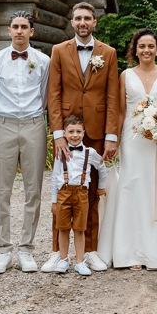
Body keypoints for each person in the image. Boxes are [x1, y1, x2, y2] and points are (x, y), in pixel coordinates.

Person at [42, 2, 119, 273]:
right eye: (78, 18)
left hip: (97, 131)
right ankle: (57, 252)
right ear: (72, 22)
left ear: (94, 22)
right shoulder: (59, 51)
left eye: (87, 18)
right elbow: (54, 94)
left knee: (92, 193)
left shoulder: (107, 53)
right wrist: (58, 134)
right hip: (66, 131)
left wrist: (111, 136)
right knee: (62, 191)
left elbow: (112, 96)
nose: (83, 22)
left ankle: (90, 250)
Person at [98, 28, 157, 270]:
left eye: (151, 46)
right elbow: (121, 111)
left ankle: (152, 254)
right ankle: (128, 253)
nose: (147, 50)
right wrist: (115, 142)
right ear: (135, 50)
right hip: (132, 139)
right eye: (142, 46)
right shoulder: (126, 75)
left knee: (155, 191)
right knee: (131, 189)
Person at [0, 11, 50, 274]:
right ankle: (3, 249)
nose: (20, 31)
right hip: (4, 124)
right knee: (2, 190)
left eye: (25, 27)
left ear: (32, 32)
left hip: (34, 124)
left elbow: (45, 94)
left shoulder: (44, 61)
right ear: (9, 31)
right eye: (15, 27)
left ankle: (26, 248)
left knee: (33, 189)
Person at [50, 115, 108, 276]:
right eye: (71, 131)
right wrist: (54, 201)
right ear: (64, 134)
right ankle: (63, 259)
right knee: (62, 228)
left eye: (78, 131)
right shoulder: (60, 152)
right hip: (63, 193)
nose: (74, 135)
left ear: (84, 133)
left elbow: (102, 168)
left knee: (79, 228)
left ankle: (80, 261)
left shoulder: (90, 152)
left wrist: (101, 187)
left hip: (82, 193)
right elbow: (55, 177)